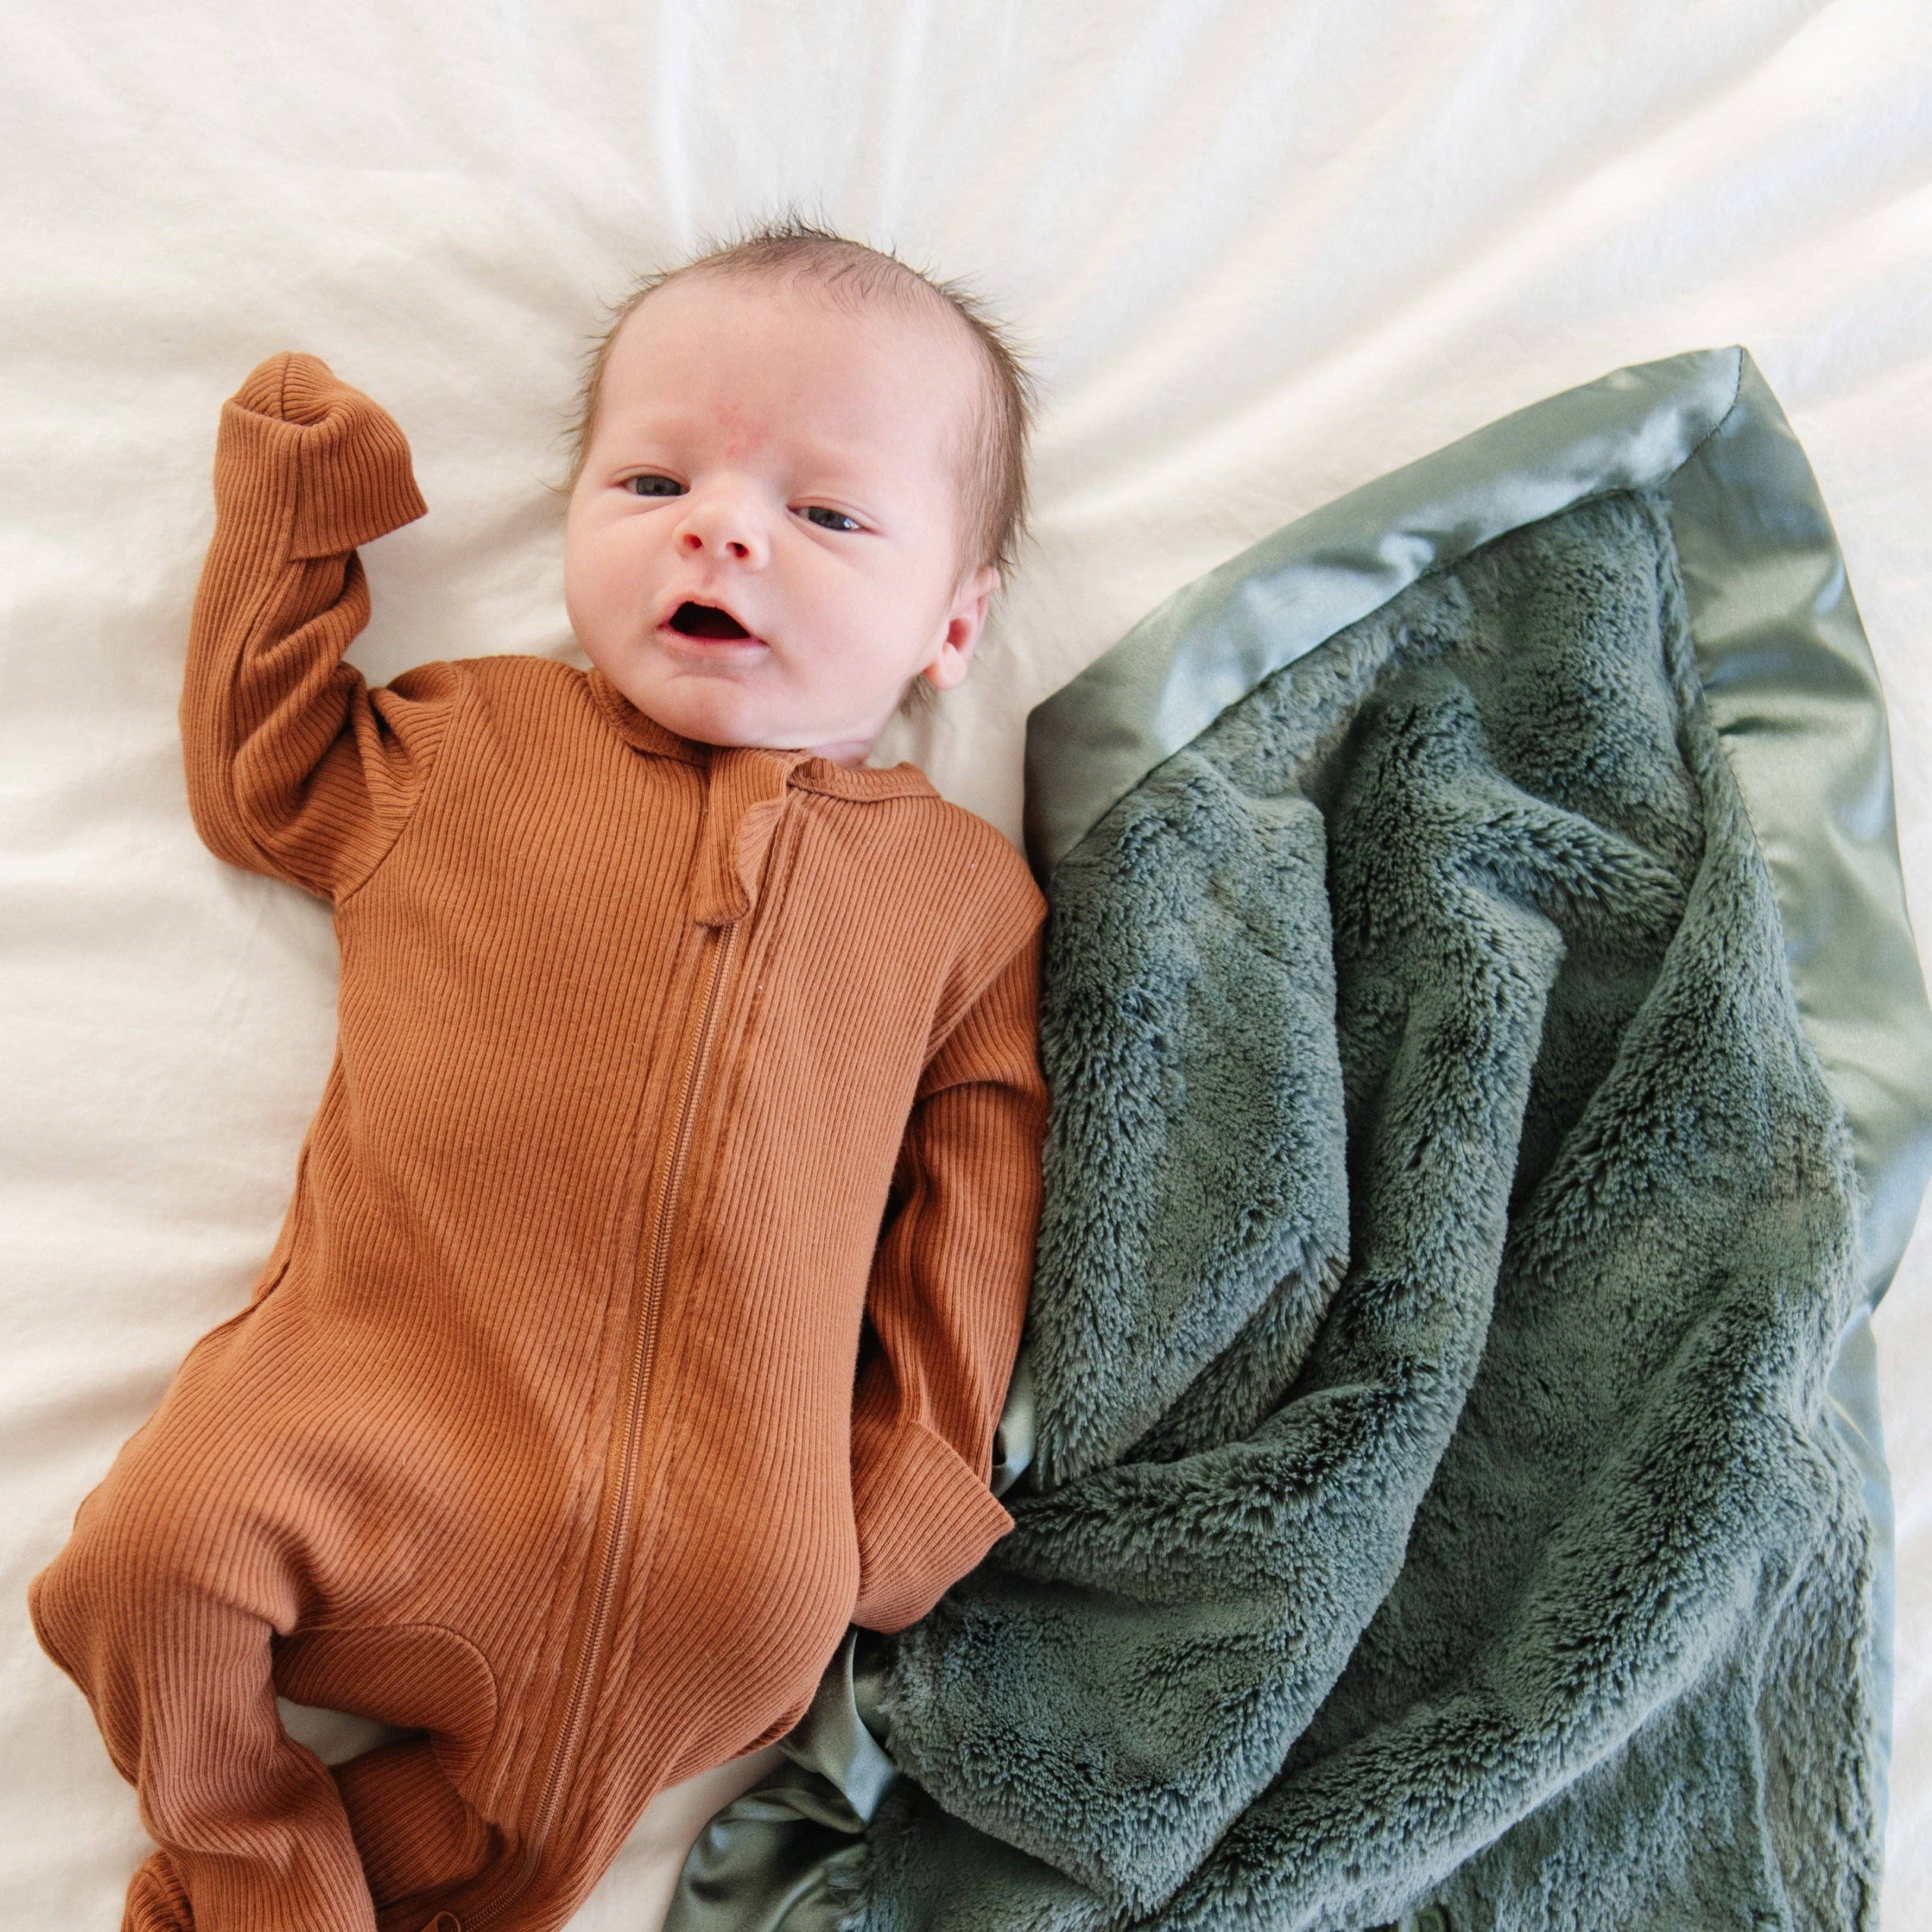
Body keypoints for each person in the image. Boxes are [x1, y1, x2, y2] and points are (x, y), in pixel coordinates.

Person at [26, 220, 1049, 1932]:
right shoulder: (466, 742)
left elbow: (982, 1176)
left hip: (727, 1517)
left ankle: (381, 1884)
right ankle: (249, 1857)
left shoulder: (960, 896)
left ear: (953, 623)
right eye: (653, 481)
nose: (723, 527)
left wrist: (922, 1465)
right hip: (367, 1413)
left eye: (826, 514)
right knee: (146, 1557)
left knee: (682, 1696)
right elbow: (265, 772)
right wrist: (297, 517)